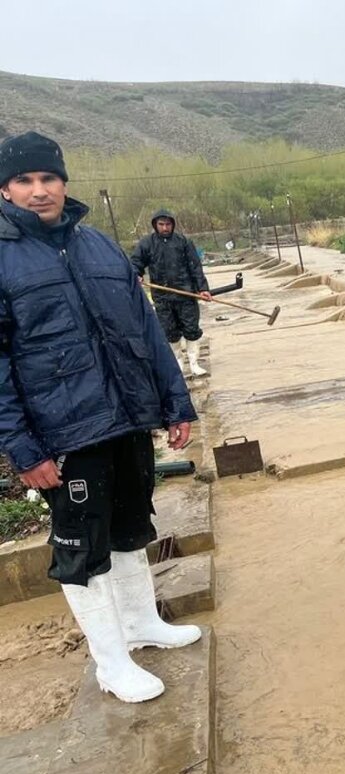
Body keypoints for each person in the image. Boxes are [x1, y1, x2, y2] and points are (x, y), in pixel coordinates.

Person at [0, 132, 201, 703]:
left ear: (64, 183)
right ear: (6, 189)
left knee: (130, 529)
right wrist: (24, 448)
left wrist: (173, 402)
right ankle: (111, 662)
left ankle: (142, 624)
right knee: (81, 550)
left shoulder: (99, 247)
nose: (39, 191)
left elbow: (146, 329)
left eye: (49, 178)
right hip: (63, 431)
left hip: (127, 418)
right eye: (25, 180)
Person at [130, 208, 213, 377]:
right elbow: (135, 263)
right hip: (163, 297)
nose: (165, 228)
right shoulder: (147, 244)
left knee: (191, 329)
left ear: (172, 225)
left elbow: (195, 267)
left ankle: (194, 363)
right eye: (161, 224)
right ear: (155, 225)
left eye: (168, 224)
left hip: (186, 295)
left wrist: (203, 288)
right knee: (170, 332)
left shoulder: (183, 242)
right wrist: (136, 275)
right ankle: (178, 364)